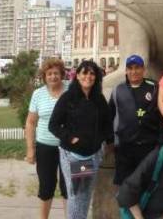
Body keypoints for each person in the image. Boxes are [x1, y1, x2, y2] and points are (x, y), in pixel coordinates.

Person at [49, 60, 113, 219]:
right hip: (74, 156)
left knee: (84, 195)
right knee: (77, 195)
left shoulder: (99, 99)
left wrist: (105, 142)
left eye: (92, 73)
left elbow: (107, 124)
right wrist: (71, 139)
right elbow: (54, 125)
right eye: (85, 72)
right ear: (77, 75)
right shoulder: (68, 98)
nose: (88, 76)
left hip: (93, 155)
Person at [110, 55, 163, 186]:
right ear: (126, 71)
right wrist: (110, 140)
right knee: (125, 184)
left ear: (143, 69)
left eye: (137, 68)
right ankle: (126, 207)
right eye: (130, 68)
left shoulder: (154, 88)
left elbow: (160, 116)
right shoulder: (118, 90)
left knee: (147, 183)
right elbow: (110, 114)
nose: (133, 72)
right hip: (125, 147)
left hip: (148, 145)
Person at [25, 58, 68, 219]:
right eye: (49, 74)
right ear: (44, 76)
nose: (53, 77)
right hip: (45, 147)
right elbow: (30, 122)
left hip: (68, 148)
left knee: (68, 188)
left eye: (56, 73)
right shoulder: (38, 94)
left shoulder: (71, 90)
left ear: (62, 74)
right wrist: (30, 149)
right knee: (46, 187)